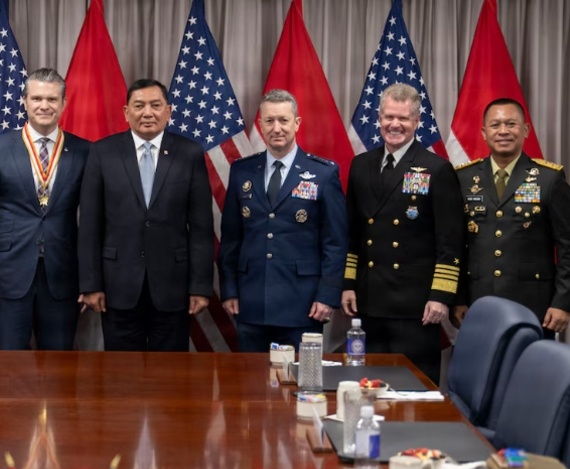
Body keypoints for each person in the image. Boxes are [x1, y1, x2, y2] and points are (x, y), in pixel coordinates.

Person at [342, 83, 464, 384]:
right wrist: (348, 284)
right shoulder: (361, 165)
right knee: (369, 387)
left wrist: (440, 296)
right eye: (388, 117)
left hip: (415, 306)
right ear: (379, 118)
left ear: (417, 121)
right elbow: (353, 233)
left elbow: (450, 242)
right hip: (369, 301)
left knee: (413, 390)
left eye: (403, 118)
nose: (394, 124)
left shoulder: (436, 169)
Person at [79, 79, 213, 351]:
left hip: (173, 287)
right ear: (126, 112)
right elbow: (90, 225)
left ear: (168, 111)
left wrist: (200, 286)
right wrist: (91, 284)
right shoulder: (102, 152)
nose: (147, 113)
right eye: (139, 106)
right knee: (122, 371)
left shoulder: (189, 153)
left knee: (171, 371)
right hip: (118, 285)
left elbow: (201, 228)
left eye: (155, 105)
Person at [0, 68, 90, 350]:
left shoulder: (84, 150)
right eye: (37, 98)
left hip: (63, 277)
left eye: (52, 99)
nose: (44, 105)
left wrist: (92, 280)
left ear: (64, 103)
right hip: (5, 279)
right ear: (25, 101)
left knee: (58, 368)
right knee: (7, 368)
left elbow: (95, 219)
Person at [218, 89, 347, 351]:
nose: (276, 128)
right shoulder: (242, 171)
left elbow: (335, 242)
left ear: (296, 123)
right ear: (260, 125)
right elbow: (231, 237)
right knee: (249, 376)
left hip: (303, 305)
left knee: (300, 377)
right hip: (251, 301)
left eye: (283, 120)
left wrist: (327, 295)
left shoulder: (322, 173)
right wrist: (229, 289)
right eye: (269, 121)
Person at [453, 98, 570, 336]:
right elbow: (454, 245)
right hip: (477, 304)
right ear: (484, 133)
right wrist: (457, 298)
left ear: (525, 130)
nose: (503, 131)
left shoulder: (549, 179)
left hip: (533, 306)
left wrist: (563, 302)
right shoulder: (463, 179)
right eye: (495, 125)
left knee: (530, 361)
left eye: (511, 124)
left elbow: (567, 246)